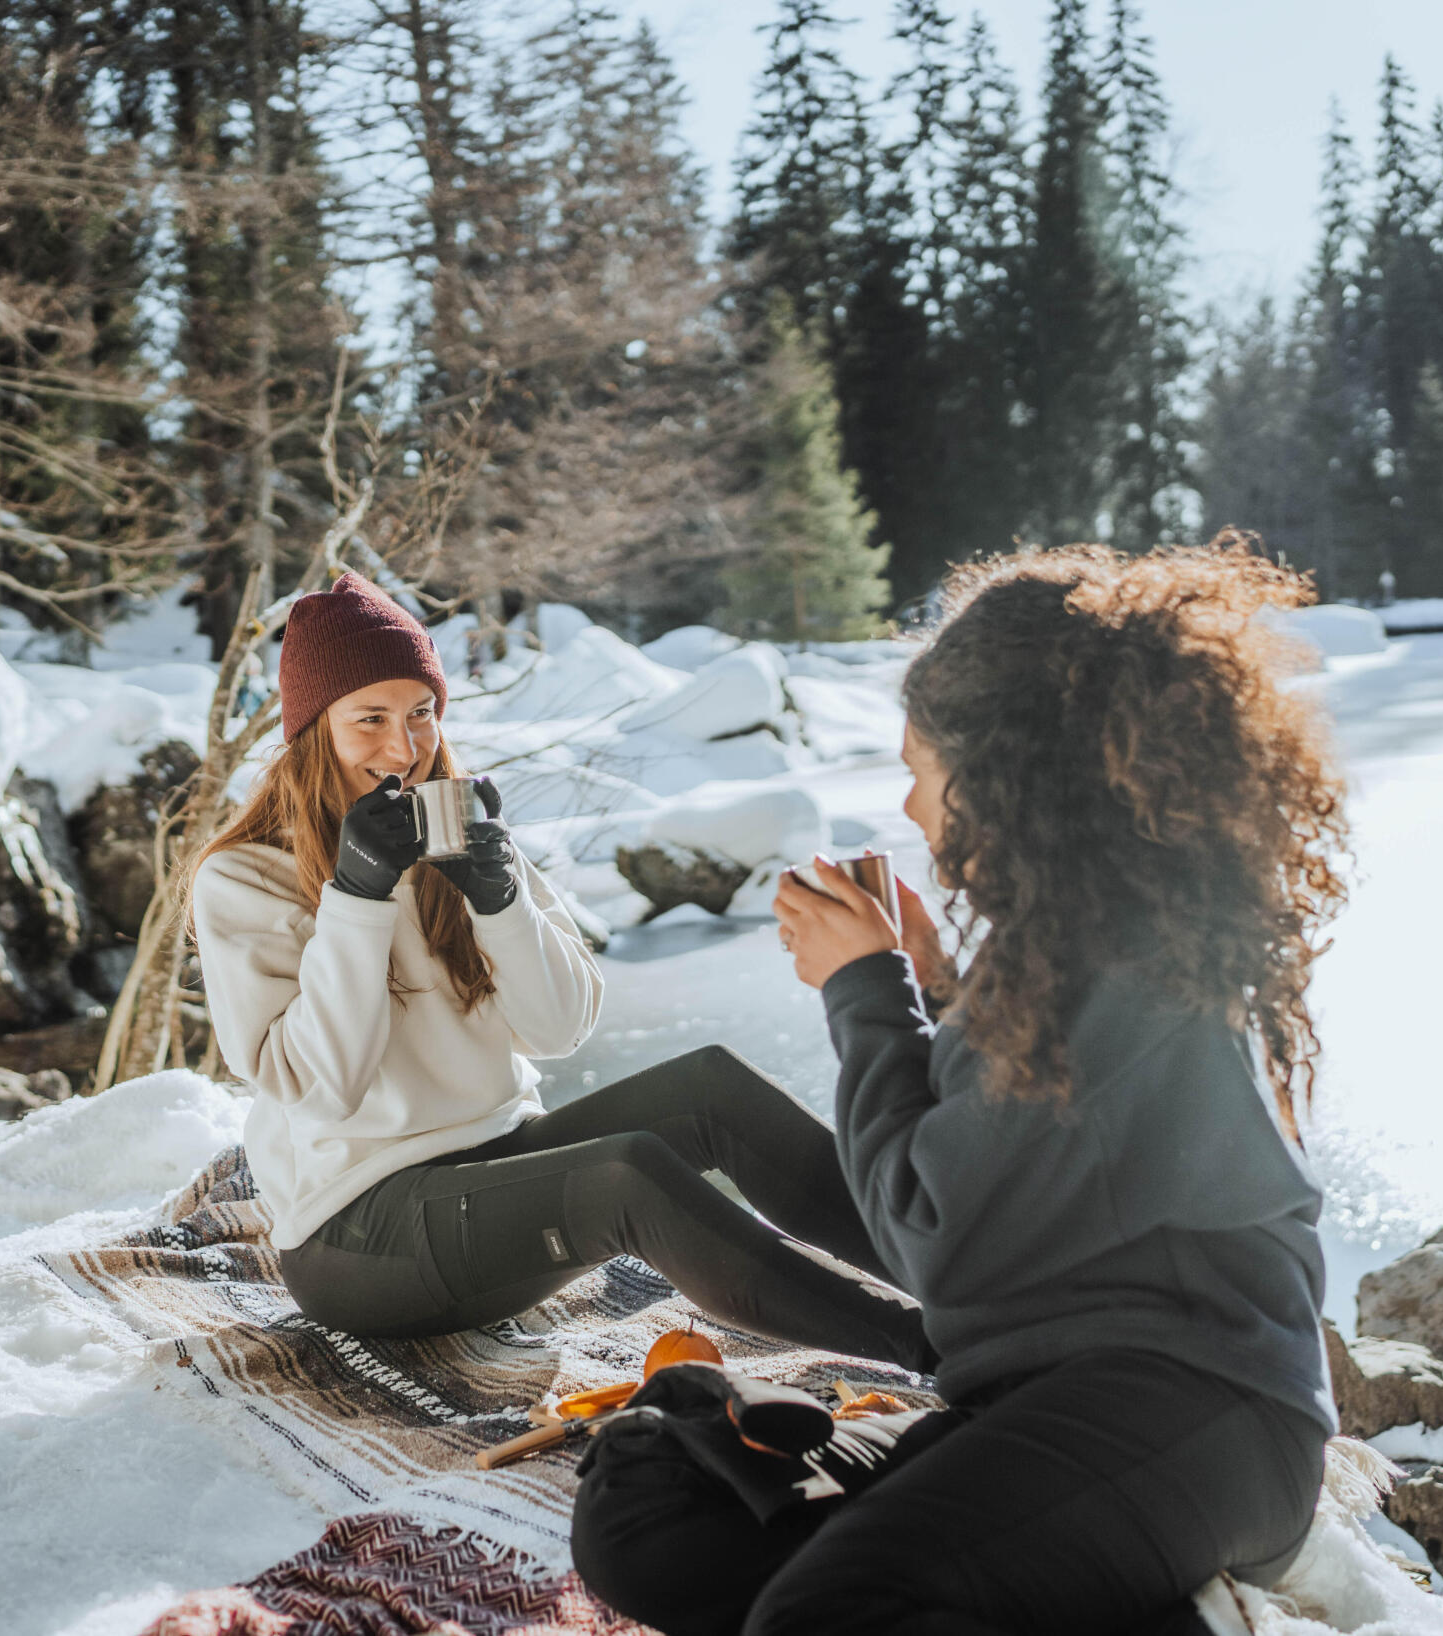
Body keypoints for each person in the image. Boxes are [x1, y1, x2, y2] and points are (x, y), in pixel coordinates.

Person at [572, 540, 1348, 1636]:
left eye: (919, 768)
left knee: (827, 1611)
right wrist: (932, 985)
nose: (909, 799)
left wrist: (865, 989)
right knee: (646, 1519)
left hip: (1198, 1408)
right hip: (1040, 1397)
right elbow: (1008, 1152)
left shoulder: (1123, 967)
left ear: (1002, 778)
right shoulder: (1057, 952)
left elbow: (928, 1233)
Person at [188, 571, 930, 1372]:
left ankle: (966, 1281)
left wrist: (501, 900)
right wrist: (358, 895)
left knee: (713, 1088)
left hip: (496, 1175)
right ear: (313, 730)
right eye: (369, 720)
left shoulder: (454, 826)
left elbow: (558, 1030)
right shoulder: (243, 880)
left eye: (422, 714)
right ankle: (938, 1348)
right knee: (628, 1177)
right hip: (361, 1240)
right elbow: (325, 1087)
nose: (403, 748)